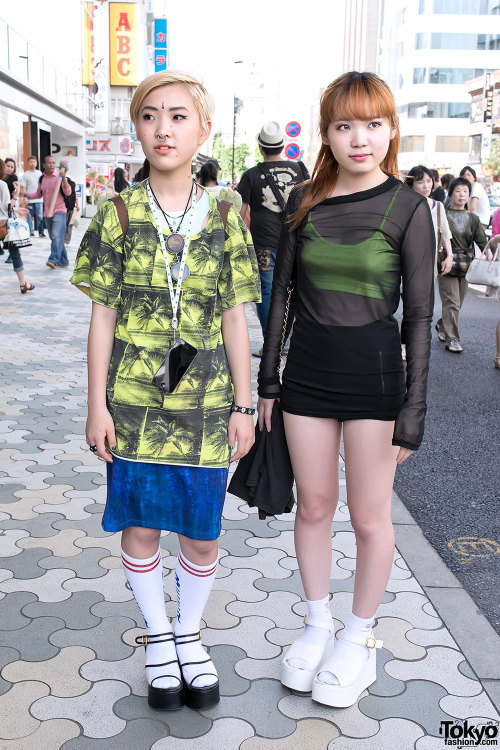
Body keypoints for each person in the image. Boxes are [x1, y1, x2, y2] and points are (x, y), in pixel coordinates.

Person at [71, 70, 260, 711]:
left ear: (203, 130)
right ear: (136, 129)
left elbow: (236, 312)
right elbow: (101, 315)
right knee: (143, 527)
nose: (163, 128)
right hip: (133, 401)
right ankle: (158, 638)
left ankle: (189, 635)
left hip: (208, 403)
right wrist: (95, 404)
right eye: (150, 116)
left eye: (179, 116)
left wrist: (244, 402)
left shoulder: (229, 213)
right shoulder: (115, 212)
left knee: (202, 533)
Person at [257, 71, 434, 709]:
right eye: (344, 125)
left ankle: (358, 639)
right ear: (327, 132)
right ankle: (317, 625)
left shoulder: (409, 207)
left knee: (368, 517)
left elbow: (418, 316)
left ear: (390, 129)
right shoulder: (304, 199)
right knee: (313, 505)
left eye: (373, 124)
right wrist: (268, 380)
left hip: (377, 380)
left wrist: (413, 410)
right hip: (305, 375)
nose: (360, 138)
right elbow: (281, 295)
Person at [237, 121, 309, 357]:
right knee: (294, 290)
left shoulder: (251, 175)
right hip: (296, 240)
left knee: (267, 291)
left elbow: (239, 212)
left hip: (264, 244)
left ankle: (272, 345)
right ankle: (287, 341)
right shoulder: (300, 169)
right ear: (283, 145)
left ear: (260, 148)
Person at [435, 176, 487, 353]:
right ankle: (453, 339)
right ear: (450, 193)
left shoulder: (473, 218)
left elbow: (482, 241)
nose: (462, 194)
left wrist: (490, 253)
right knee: (452, 302)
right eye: (458, 191)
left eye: (465, 191)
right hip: (446, 263)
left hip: (466, 265)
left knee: (457, 303)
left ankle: (442, 325)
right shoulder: (443, 215)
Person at [22, 155, 72, 269]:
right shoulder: (42, 178)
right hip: (47, 212)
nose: (52, 165)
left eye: (53, 163)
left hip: (60, 210)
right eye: (49, 163)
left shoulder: (60, 176)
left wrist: (64, 178)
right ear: (44, 165)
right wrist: (25, 194)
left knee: (56, 235)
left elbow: (68, 192)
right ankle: (63, 260)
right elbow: (38, 194)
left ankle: (53, 259)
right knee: (55, 236)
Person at [404, 165, 453, 276]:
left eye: (429, 181)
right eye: (420, 182)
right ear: (411, 185)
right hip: (409, 261)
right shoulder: (404, 207)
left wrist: (450, 255)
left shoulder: (438, 206)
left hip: (432, 260)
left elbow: (446, 234)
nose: (426, 186)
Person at [0, 159, 35, 294]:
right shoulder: (2, 185)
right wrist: (15, 194)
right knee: (14, 253)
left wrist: (16, 210)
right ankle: (23, 284)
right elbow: (6, 206)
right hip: (3, 225)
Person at [20, 155, 45, 238]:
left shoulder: (40, 173)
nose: (32, 163)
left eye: (34, 161)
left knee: (40, 216)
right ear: (28, 163)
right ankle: (31, 232)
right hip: (29, 200)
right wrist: (24, 198)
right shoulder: (26, 175)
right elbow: (23, 187)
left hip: (39, 199)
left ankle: (41, 232)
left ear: (36, 163)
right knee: (29, 217)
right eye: (30, 162)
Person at [59, 161, 79, 245]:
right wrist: (77, 205)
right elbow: (75, 193)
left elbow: (73, 193)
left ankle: (63, 240)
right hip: (69, 205)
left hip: (65, 205)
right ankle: (65, 240)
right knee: (68, 225)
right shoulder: (72, 179)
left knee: (63, 224)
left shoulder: (59, 179)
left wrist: (77, 204)